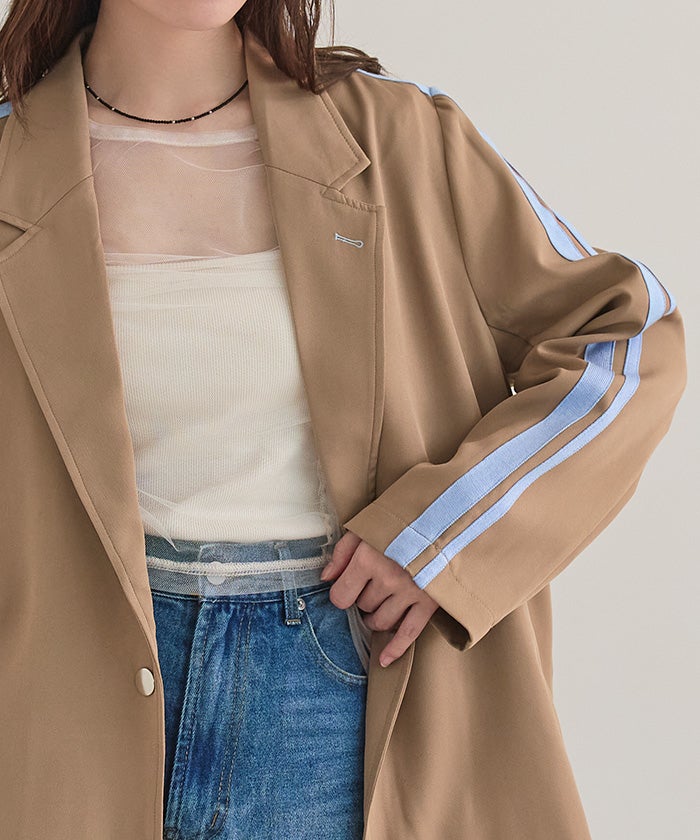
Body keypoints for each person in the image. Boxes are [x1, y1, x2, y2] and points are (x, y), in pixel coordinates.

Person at [0, 1, 687, 838]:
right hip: (58, 714)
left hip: (343, 691)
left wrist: (446, 534)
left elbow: (629, 336)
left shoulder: (399, 135)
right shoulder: (12, 158)